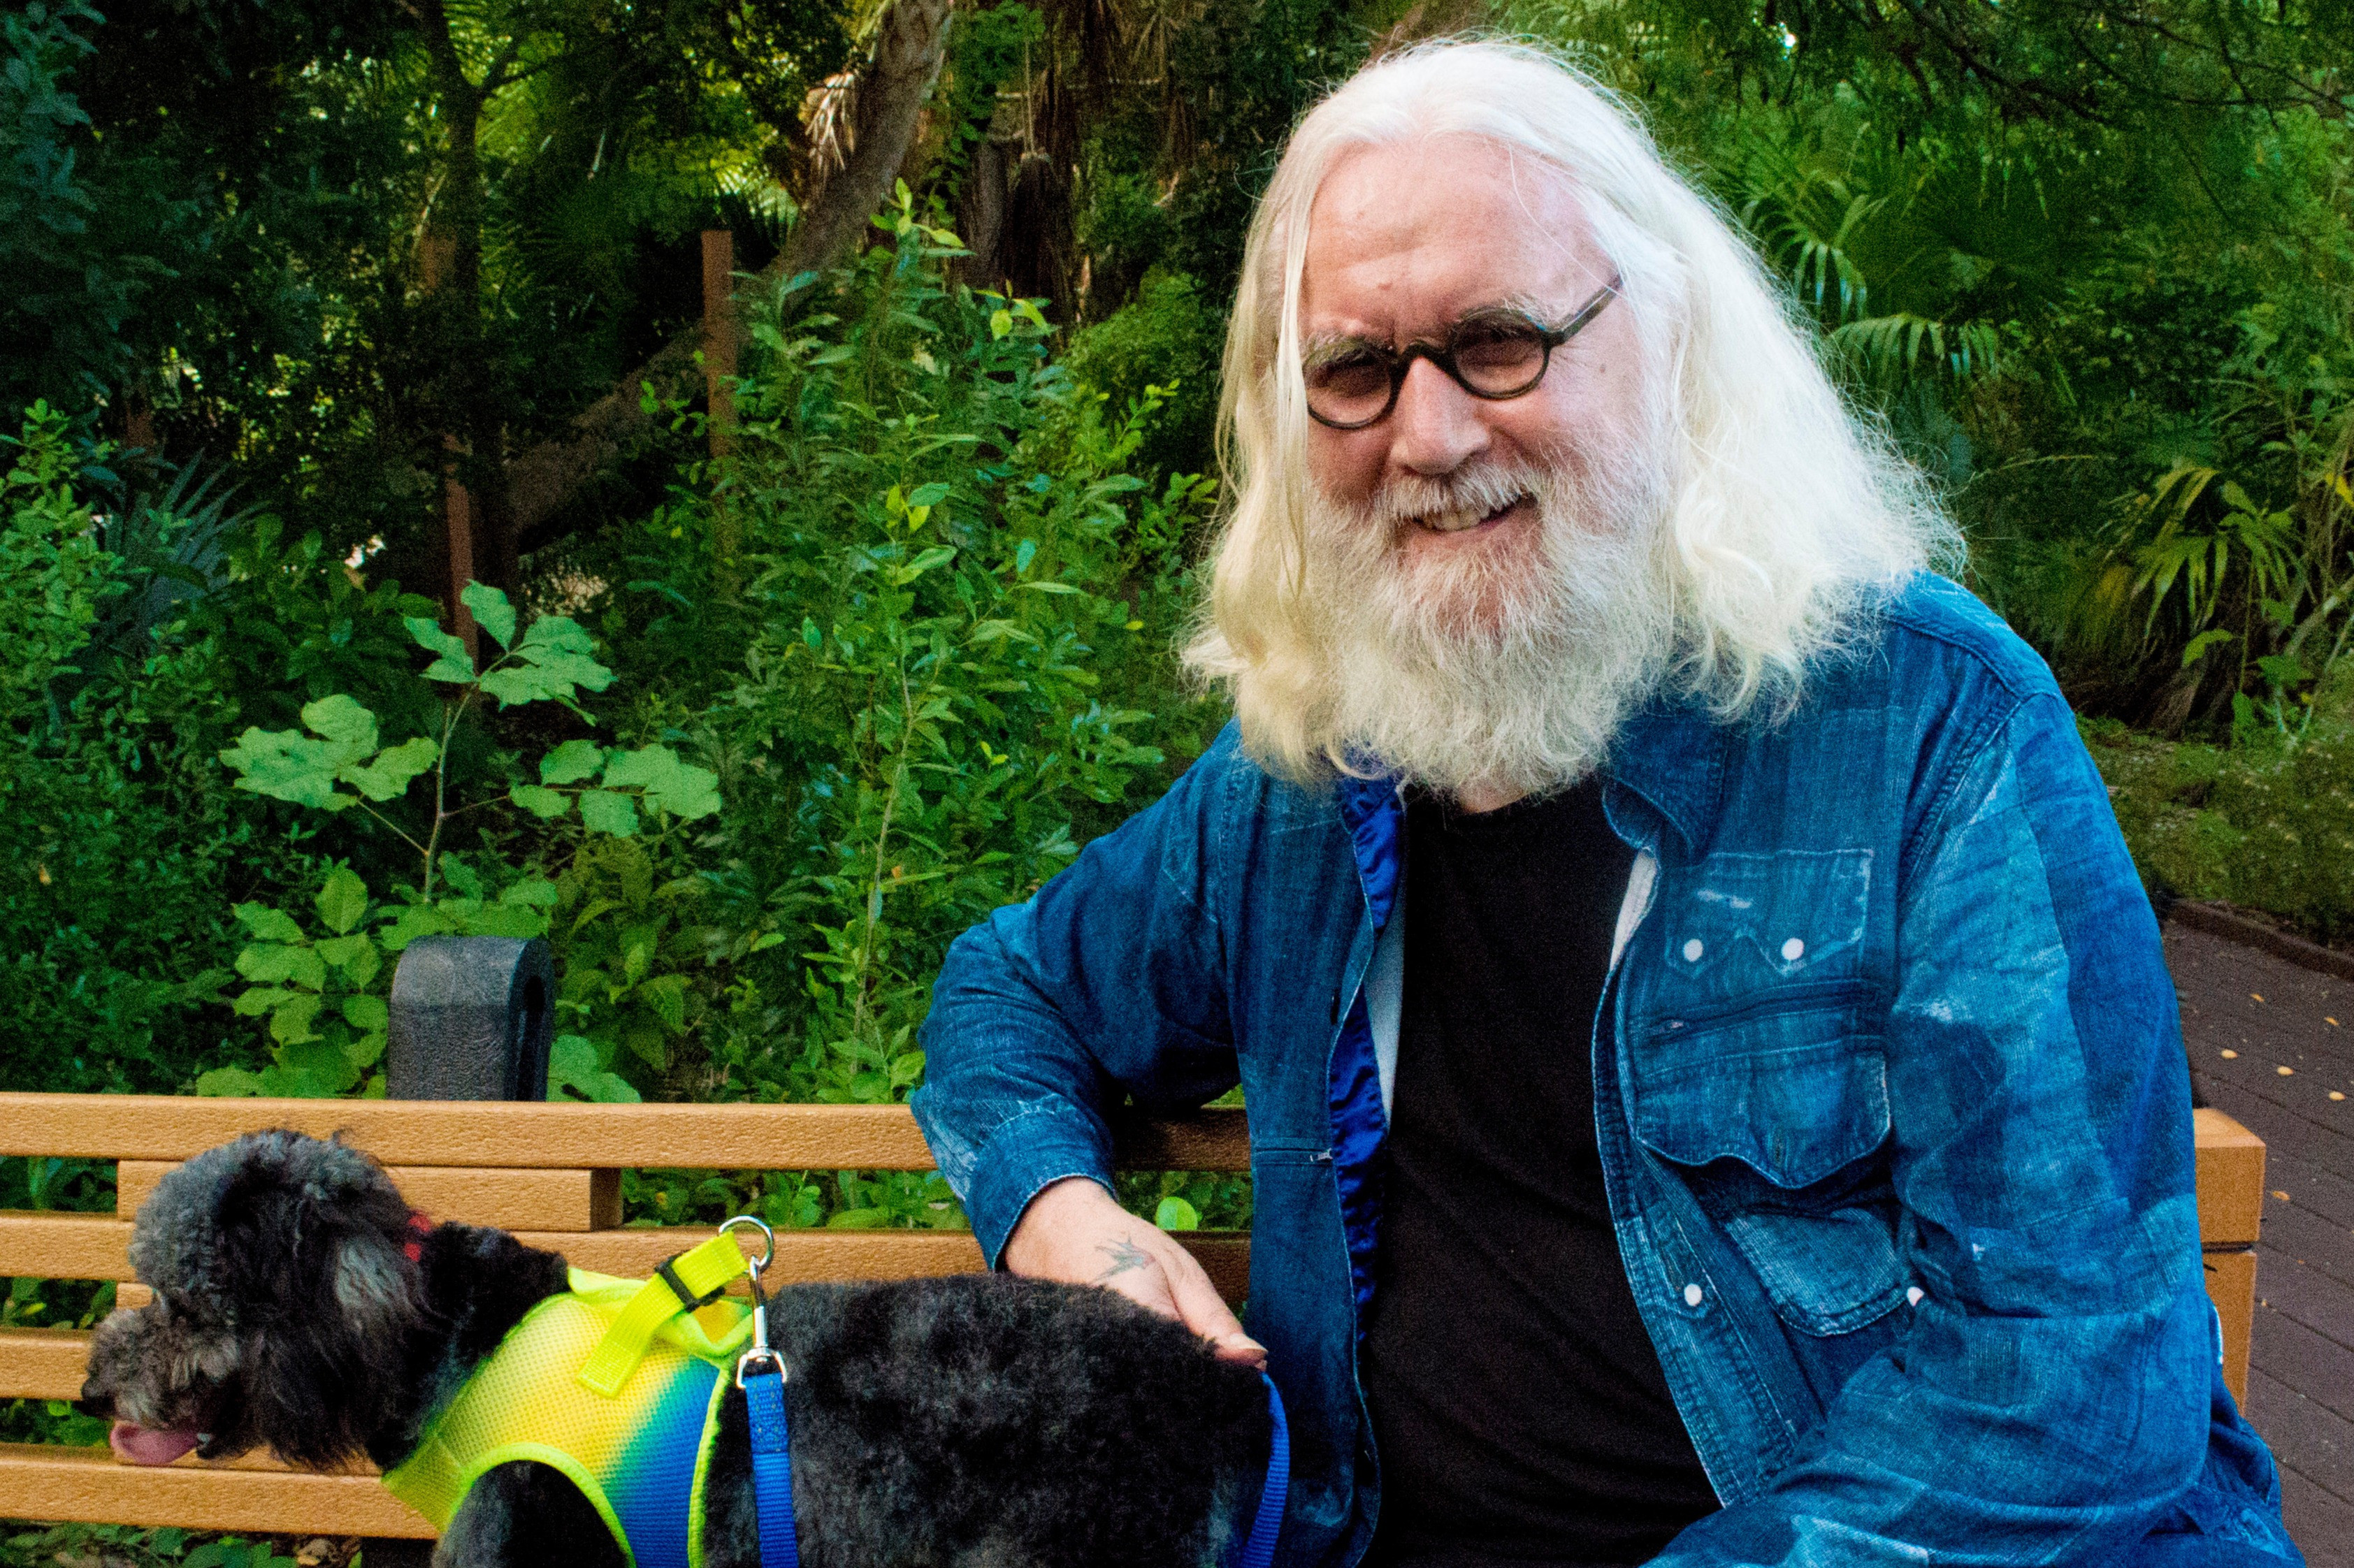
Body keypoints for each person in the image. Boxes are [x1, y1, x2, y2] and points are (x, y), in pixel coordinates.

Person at [909, 38, 2304, 1568]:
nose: (1428, 440)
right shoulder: (1308, 779)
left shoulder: (1924, 725)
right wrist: (1063, 1216)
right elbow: (1012, 986)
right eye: (1356, 373)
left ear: (1667, 343)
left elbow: (2075, 1383)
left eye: (1498, 341)